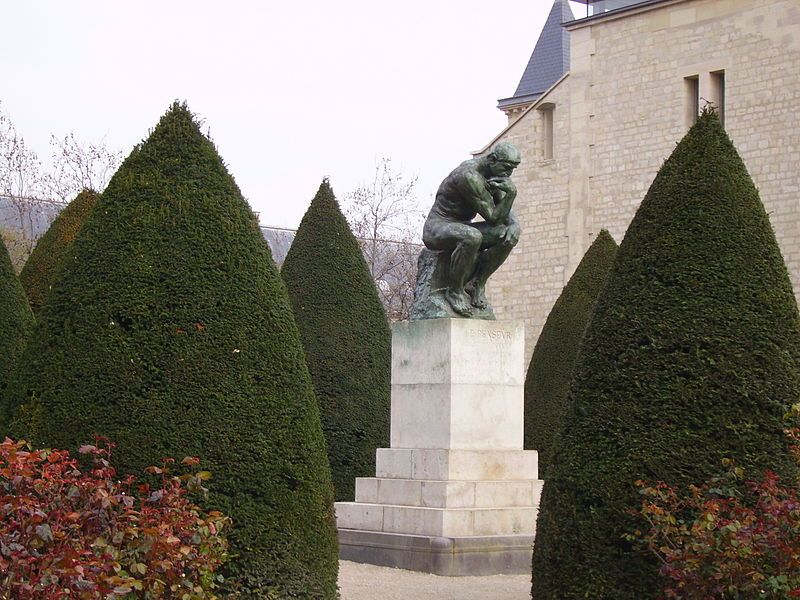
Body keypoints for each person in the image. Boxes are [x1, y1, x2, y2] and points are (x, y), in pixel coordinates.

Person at [422, 141, 522, 316]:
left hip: (462, 226)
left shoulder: (493, 175)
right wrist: (511, 194)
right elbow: (493, 217)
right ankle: (454, 291)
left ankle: (477, 283)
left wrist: (515, 225)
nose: (509, 173)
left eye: (513, 169)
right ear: (492, 159)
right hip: (438, 227)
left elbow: (503, 215)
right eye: (507, 167)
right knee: (472, 236)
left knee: (506, 235)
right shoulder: (469, 176)